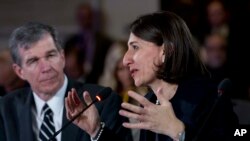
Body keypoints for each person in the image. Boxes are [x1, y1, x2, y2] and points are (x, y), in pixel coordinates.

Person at [65, 11, 238, 141]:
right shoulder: (150, 99)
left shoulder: (209, 97)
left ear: (166, 51)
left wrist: (179, 132)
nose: (125, 60)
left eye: (135, 47)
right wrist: (96, 129)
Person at [0, 22, 132, 141]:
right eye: (33, 61)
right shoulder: (5, 109)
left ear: (62, 57)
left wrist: (96, 132)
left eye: (51, 55)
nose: (45, 68)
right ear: (20, 71)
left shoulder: (103, 102)